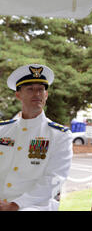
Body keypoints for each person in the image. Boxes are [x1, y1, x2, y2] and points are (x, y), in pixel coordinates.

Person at [0, 64, 73, 211]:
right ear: (18, 95)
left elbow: (54, 179)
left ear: (46, 95)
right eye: (30, 89)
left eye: (41, 89)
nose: (37, 94)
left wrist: (15, 205)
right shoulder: (3, 130)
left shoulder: (60, 136)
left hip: (34, 206)